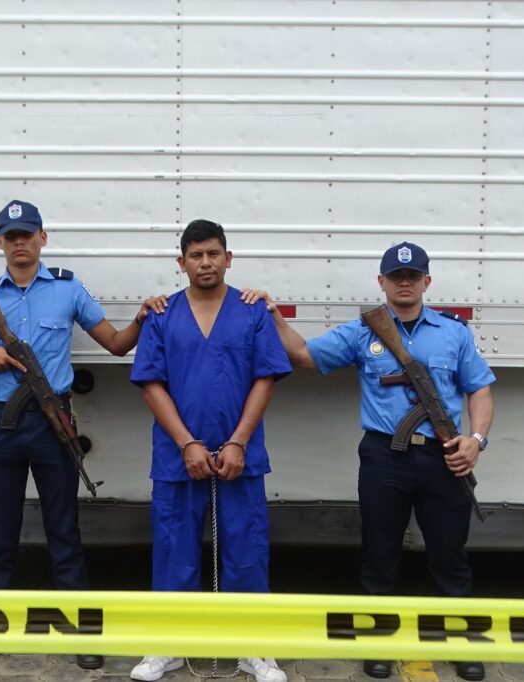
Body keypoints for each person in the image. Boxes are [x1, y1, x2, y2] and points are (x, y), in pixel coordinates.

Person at [246, 242, 494, 682]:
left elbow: (479, 388)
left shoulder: (454, 332)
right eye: (396, 276)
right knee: (380, 554)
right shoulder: (365, 333)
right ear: (381, 282)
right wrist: (274, 316)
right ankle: (377, 642)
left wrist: (475, 439)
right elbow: (304, 356)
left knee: (449, 555)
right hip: (386, 456)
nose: (405, 282)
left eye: (413, 276)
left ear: (426, 282)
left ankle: (465, 644)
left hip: (444, 457)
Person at [0, 199, 163, 671]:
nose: (20, 243)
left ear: (43, 238)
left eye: (28, 234)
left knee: (64, 529)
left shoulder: (68, 290)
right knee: (1, 533)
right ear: (0, 243)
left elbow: (116, 343)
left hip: (53, 423)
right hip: (1, 424)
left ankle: (82, 630)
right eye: (11, 236)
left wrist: (144, 316)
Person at [128, 220, 292, 682]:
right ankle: (168, 644)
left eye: (213, 253)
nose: (205, 262)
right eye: (196, 255)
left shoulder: (252, 311)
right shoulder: (162, 314)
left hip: (241, 455)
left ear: (228, 258)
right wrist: (187, 443)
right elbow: (150, 384)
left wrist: (239, 440)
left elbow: (266, 378)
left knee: (247, 549)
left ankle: (254, 647)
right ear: (181, 262)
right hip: (177, 455)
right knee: (173, 549)